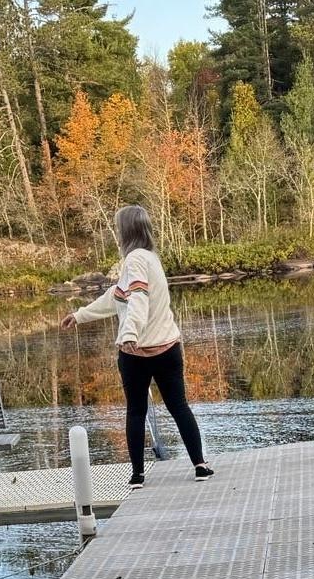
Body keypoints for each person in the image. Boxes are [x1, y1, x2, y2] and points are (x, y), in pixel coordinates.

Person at [61, 205, 212, 487]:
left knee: (136, 411)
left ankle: (137, 475)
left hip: (137, 352)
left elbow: (138, 300)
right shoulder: (151, 258)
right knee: (179, 406)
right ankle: (200, 465)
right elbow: (116, 297)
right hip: (168, 346)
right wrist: (80, 315)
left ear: (125, 231)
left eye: (118, 228)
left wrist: (129, 333)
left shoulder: (134, 261)